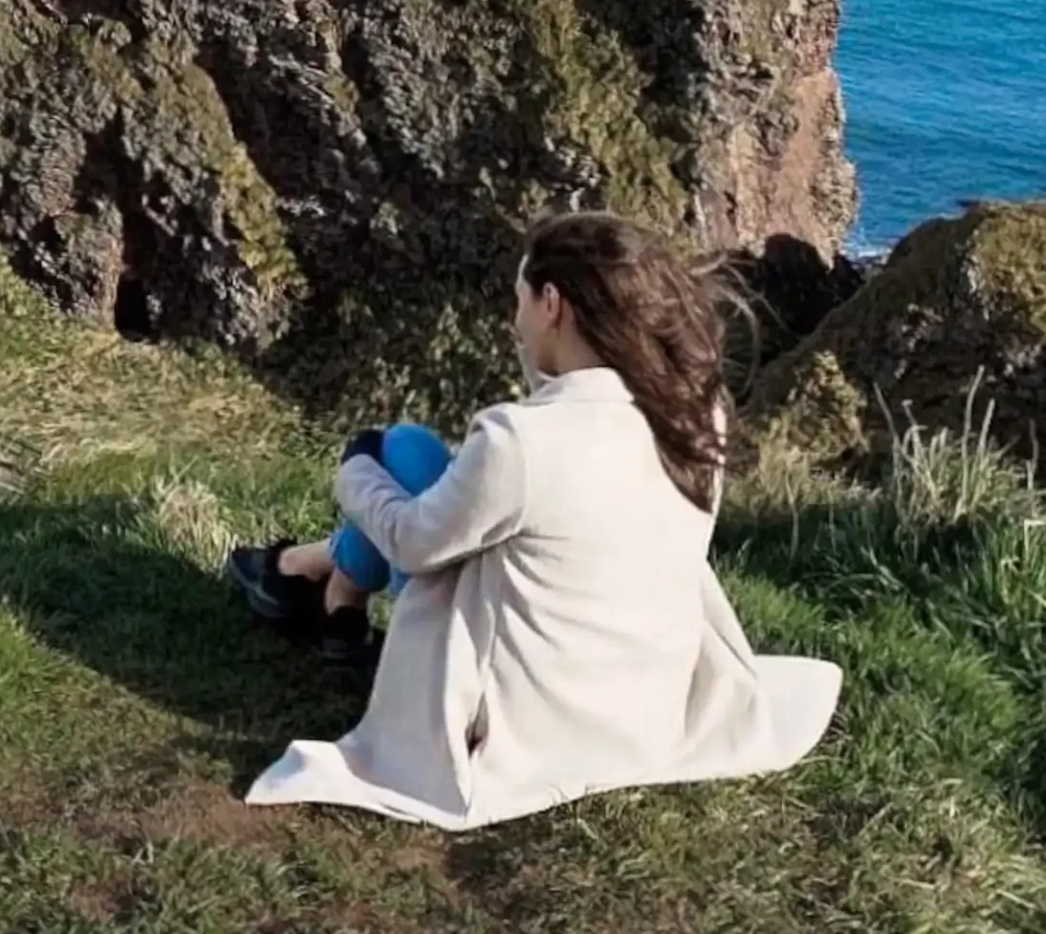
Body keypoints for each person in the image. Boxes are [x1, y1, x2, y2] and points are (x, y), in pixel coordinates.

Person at [224, 211, 842, 830]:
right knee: (422, 468)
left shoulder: (519, 441)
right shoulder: (694, 410)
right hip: (644, 707)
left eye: (520, 297)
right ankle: (329, 588)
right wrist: (550, 357)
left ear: (552, 303)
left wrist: (355, 467)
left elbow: (414, 545)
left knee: (398, 454)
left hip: (527, 729)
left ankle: (304, 574)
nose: (514, 317)